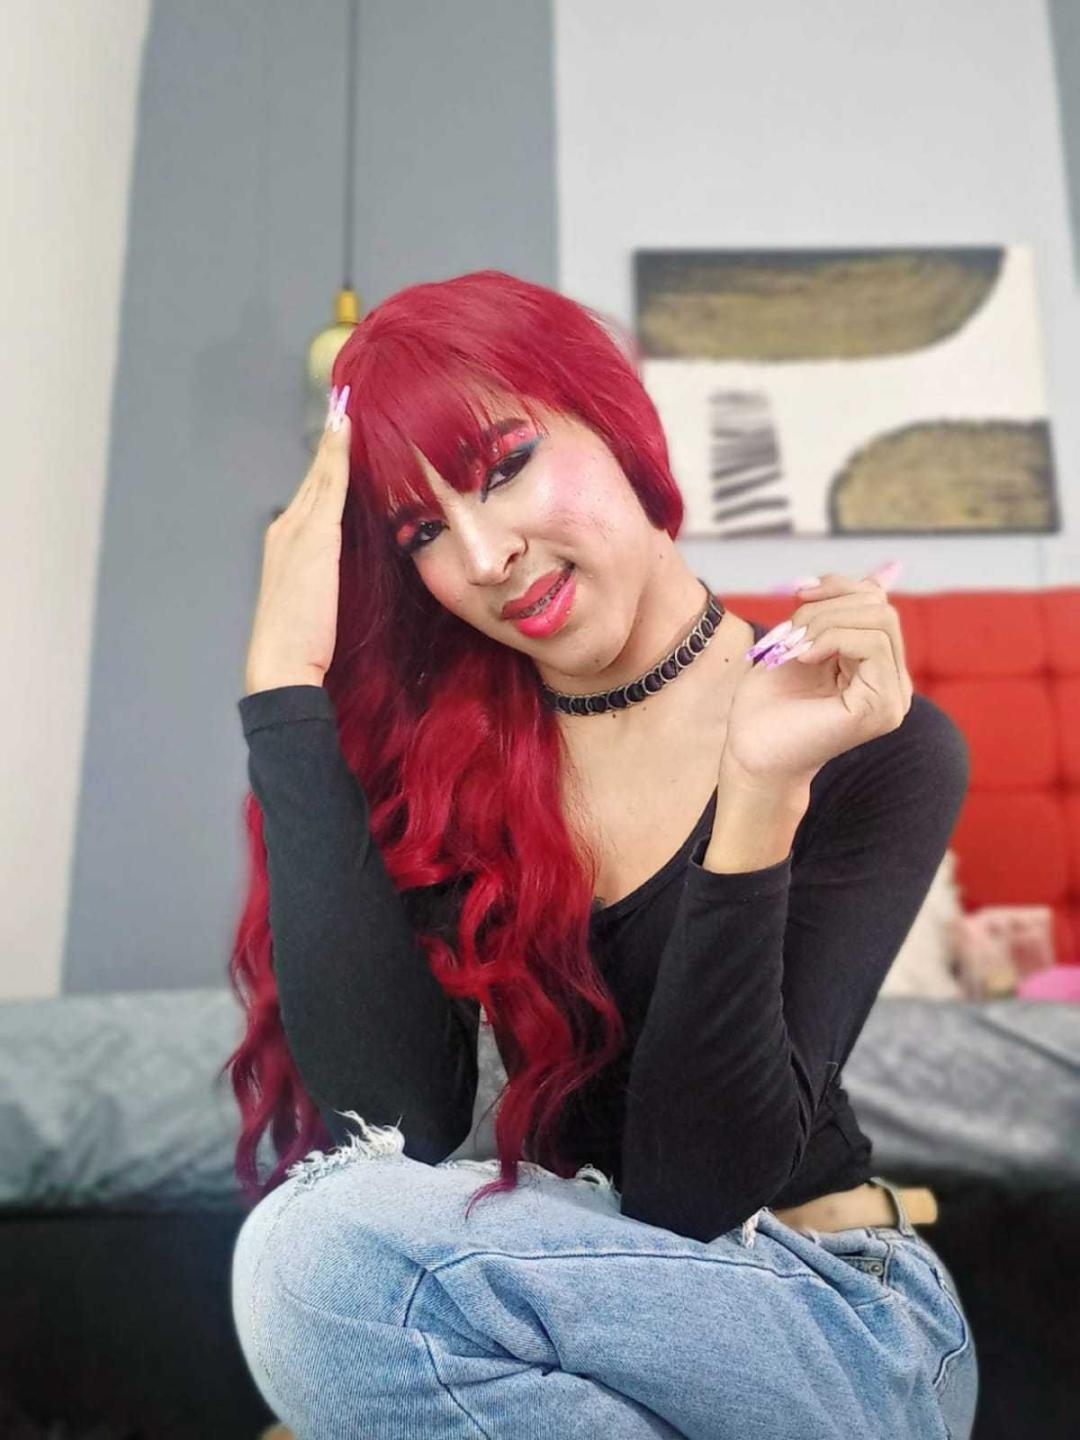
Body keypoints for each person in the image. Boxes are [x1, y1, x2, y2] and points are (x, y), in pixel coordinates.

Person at [225, 269, 978, 1438]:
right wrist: (285, 690)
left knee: (310, 1261)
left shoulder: (874, 743)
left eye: (504, 466)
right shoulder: (457, 764)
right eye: (425, 532)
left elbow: (694, 1184)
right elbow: (398, 1122)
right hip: (578, 1321)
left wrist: (760, 793)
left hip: (831, 1316)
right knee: (318, 1254)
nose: (484, 554)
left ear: (615, 418)